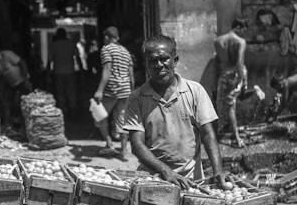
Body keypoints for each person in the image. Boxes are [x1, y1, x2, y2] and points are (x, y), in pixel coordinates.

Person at [123, 34, 232, 190]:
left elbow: (207, 134)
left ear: (175, 60)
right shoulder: (136, 99)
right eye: (153, 60)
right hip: (152, 181)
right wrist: (165, 171)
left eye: (164, 59)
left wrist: (218, 171)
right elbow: (137, 145)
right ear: (145, 64)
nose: (159, 64)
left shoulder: (195, 91)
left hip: (191, 182)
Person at [215, 17, 265, 148]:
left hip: (224, 75)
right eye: (243, 30)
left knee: (224, 105)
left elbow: (218, 61)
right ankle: (237, 138)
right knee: (233, 105)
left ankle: (228, 132)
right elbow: (239, 62)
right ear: (238, 27)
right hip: (235, 74)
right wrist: (242, 79)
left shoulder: (218, 41)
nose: (243, 33)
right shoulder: (240, 42)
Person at [93, 26, 134, 161]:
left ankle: (109, 144)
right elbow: (131, 75)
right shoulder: (126, 52)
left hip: (112, 90)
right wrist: (132, 91)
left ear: (106, 37)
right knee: (121, 119)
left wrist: (99, 90)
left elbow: (107, 69)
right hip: (126, 91)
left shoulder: (107, 49)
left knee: (99, 116)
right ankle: (123, 150)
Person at [48, 28, 82, 118]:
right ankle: (72, 110)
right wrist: (82, 70)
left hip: (58, 72)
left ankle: (63, 111)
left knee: (60, 92)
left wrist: (47, 72)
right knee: (71, 91)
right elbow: (78, 58)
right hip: (70, 71)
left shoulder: (54, 45)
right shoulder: (71, 44)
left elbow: (49, 61)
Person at [0, 48, 31, 127]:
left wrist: (26, 80)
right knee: (6, 102)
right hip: (11, 83)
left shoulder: (6, 54)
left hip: (22, 81)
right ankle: (7, 123)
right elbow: (1, 77)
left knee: (23, 103)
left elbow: (22, 62)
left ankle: (25, 124)